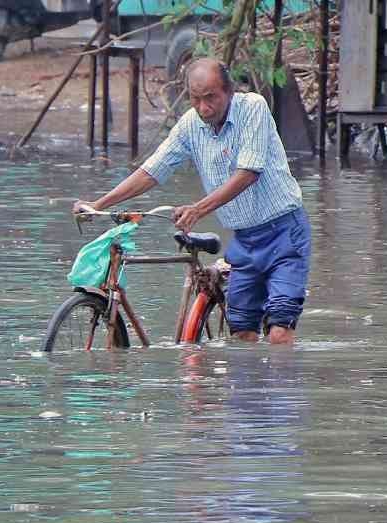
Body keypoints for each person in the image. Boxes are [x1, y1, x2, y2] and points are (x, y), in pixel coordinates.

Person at [73, 57, 311, 345]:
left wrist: (198, 209)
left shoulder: (252, 108)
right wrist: (99, 204)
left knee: (279, 331)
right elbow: (152, 171)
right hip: (245, 240)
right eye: (196, 99)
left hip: (284, 233)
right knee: (242, 334)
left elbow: (248, 173)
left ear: (229, 91)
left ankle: (283, 386)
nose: (203, 108)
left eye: (210, 98)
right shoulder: (190, 125)